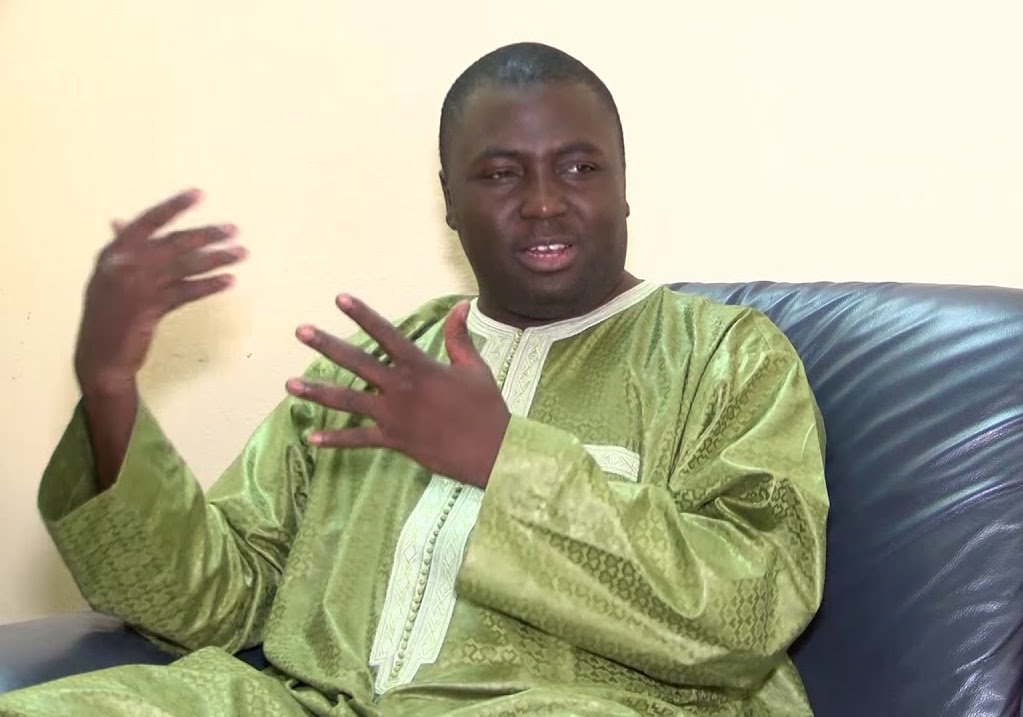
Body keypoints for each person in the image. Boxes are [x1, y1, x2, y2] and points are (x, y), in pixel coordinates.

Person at [0, 42, 828, 716]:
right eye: (500, 173)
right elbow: (215, 603)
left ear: (622, 183)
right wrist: (108, 390)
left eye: (579, 168)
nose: (544, 201)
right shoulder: (378, 369)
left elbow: (753, 607)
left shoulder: (724, 357)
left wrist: (504, 460)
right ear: (449, 200)